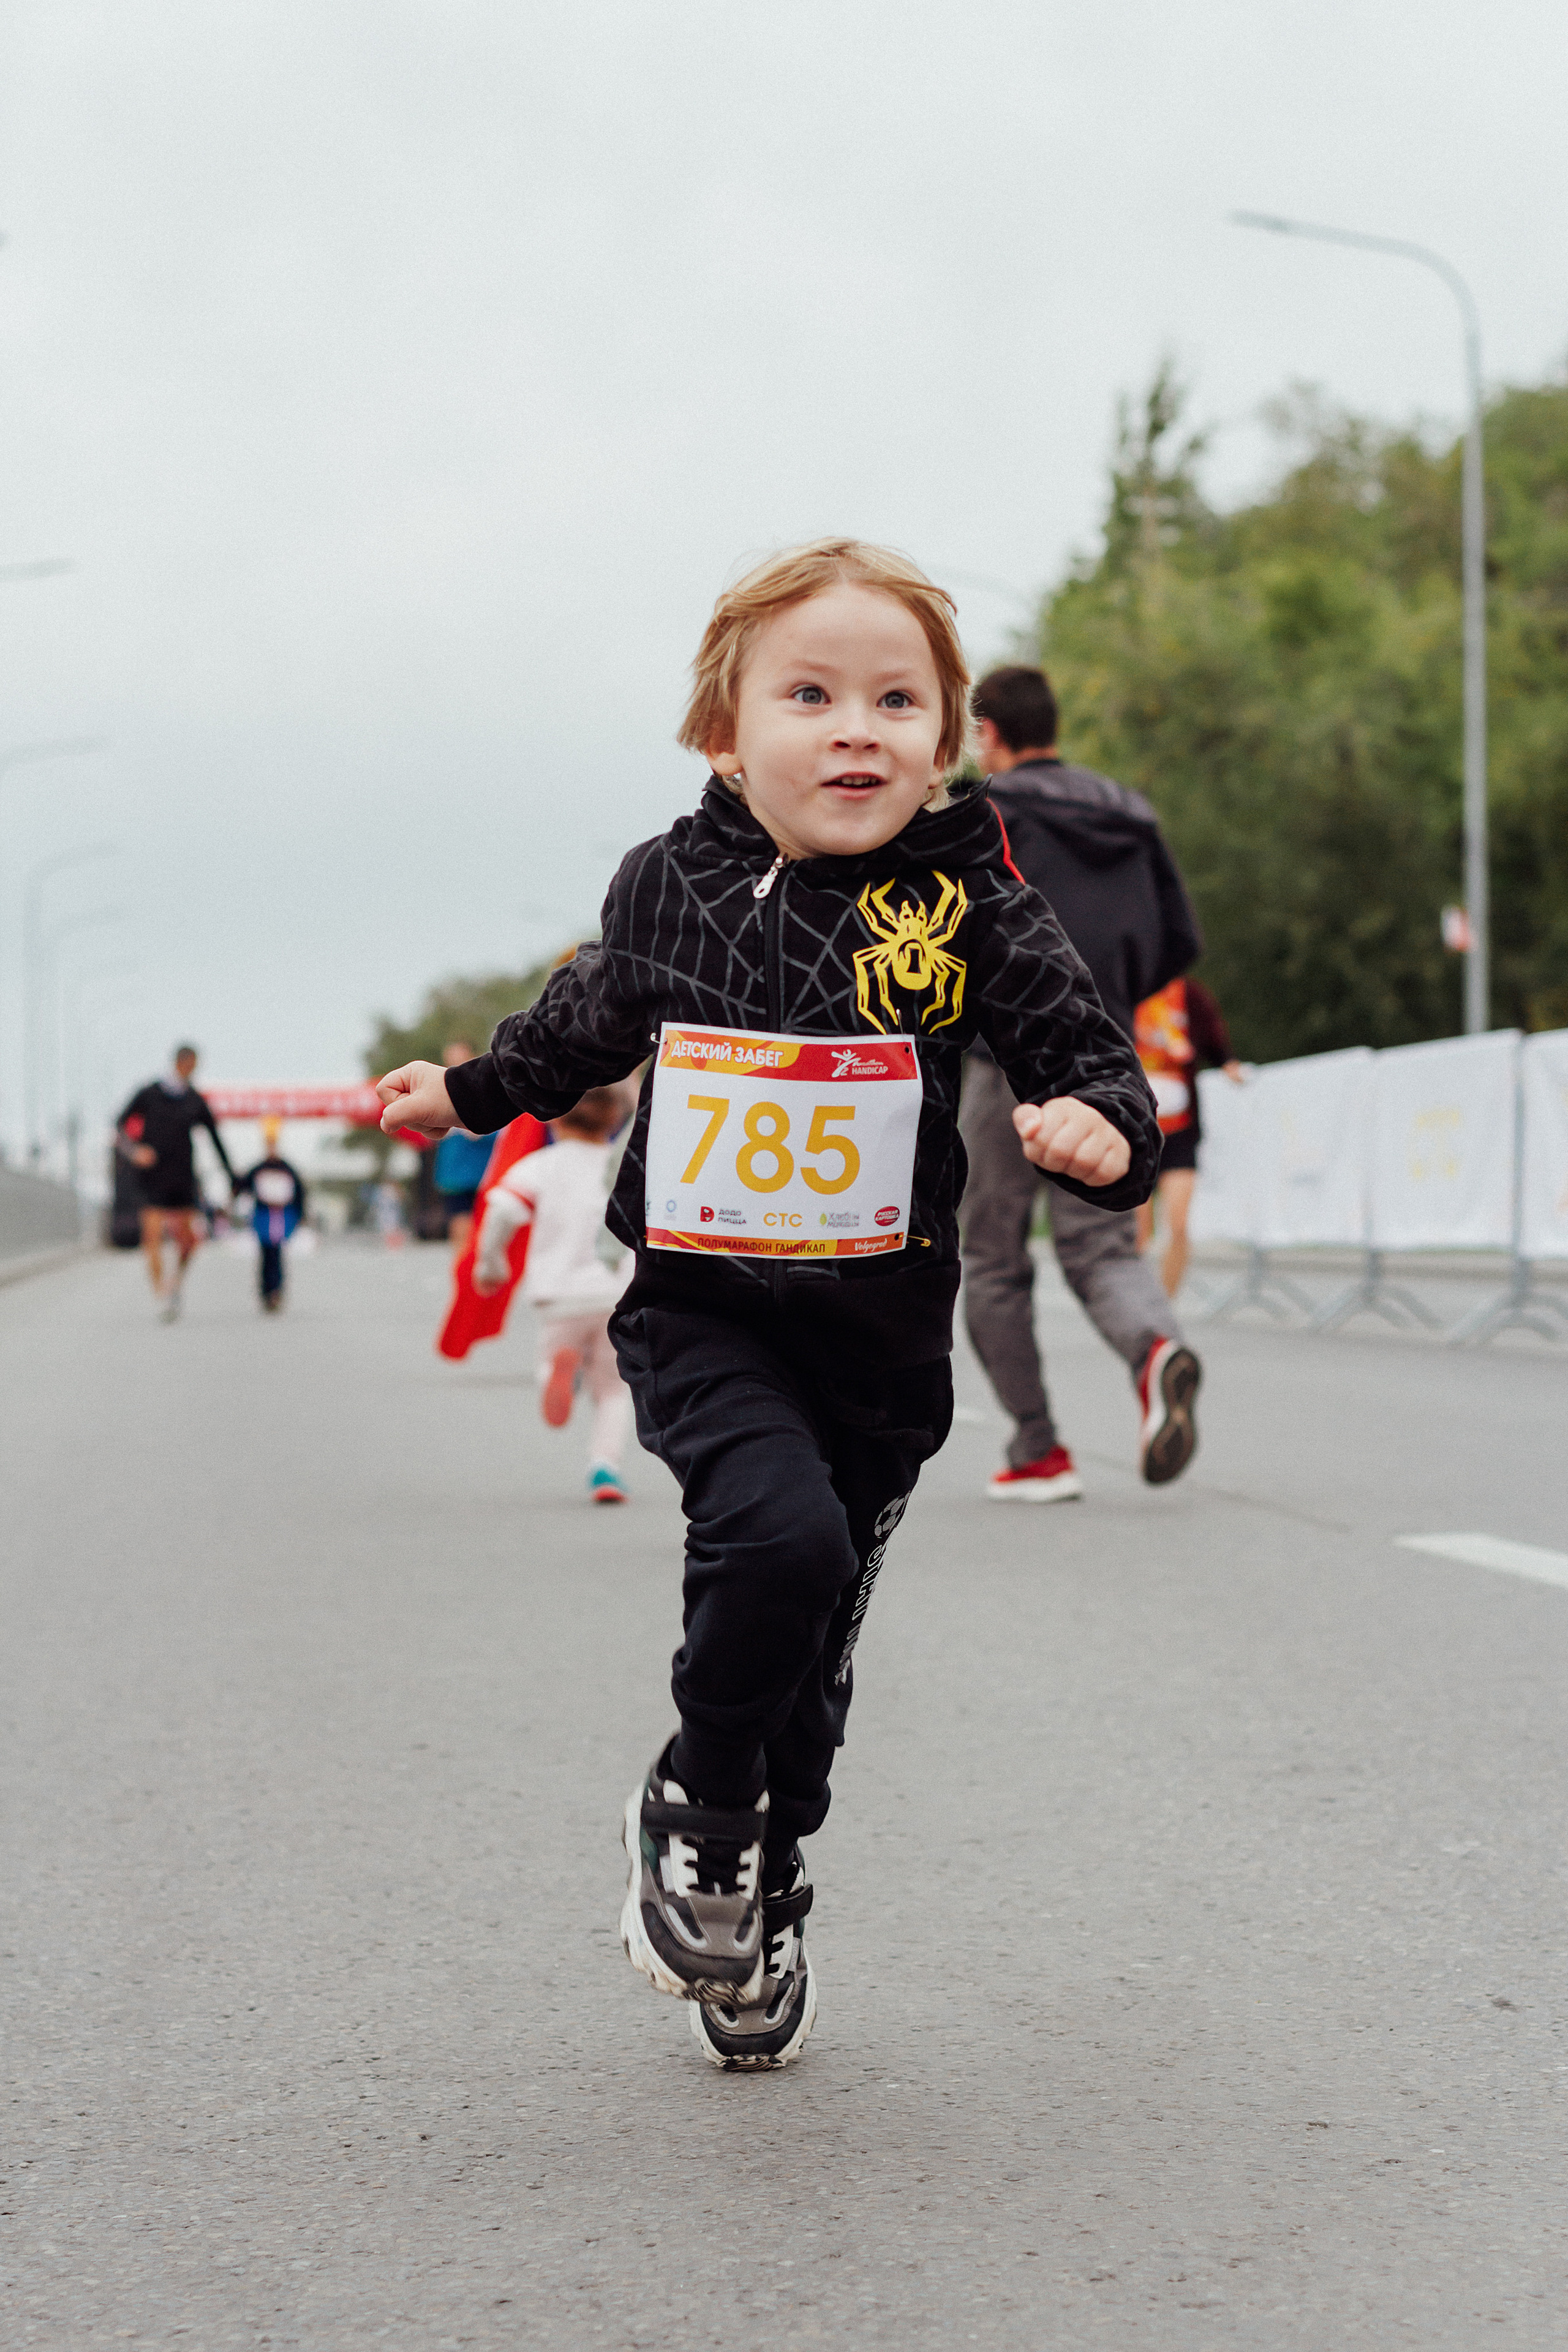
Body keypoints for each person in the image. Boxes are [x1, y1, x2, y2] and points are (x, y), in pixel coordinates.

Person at [374, 538, 1159, 2072]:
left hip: (876, 1341)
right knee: (773, 1539)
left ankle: (765, 1874)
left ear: (944, 742)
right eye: (808, 695)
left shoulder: (973, 899)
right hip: (704, 1304)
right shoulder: (670, 883)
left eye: (894, 699)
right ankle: (698, 1803)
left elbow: (1087, 1055)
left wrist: (1099, 1130)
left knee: (813, 1645)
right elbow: (584, 1017)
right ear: (724, 733)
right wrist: (466, 1088)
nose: (853, 727)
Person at [962, 664, 1204, 1502]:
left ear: (988, 732)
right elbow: (1178, 940)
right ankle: (1155, 1349)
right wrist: (1115, 996)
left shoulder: (987, 811)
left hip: (1004, 1065)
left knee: (992, 1258)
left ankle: (1037, 1450)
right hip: (1109, 1062)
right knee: (1101, 1243)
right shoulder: (1131, 814)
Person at [472, 1084, 635, 1502]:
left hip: (561, 1296)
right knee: (615, 1391)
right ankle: (605, 1469)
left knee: (551, 1359)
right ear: (615, 1120)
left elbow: (505, 1208)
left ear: (554, 1117)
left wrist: (491, 1263)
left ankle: (563, 1375)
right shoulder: (624, 1168)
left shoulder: (541, 1166)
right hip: (617, 1295)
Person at [1134, 976, 1245, 1297]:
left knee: (1179, 1226)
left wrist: (1229, 1064)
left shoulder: (1190, 994)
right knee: (1140, 1233)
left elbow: (1213, 1038)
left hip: (1181, 1128)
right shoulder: (1127, 987)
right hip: (1137, 1131)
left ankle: (1164, 1307)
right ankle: (1135, 1303)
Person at [116, 1044, 237, 1321]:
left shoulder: (195, 1100)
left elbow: (215, 1139)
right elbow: (119, 1125)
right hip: (152, 1178)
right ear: (179, 1063)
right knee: (153, 1237)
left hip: (183, 1178)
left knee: (189, 1240)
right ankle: (161, 1292)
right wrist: (135, 1151)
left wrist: (231, 1175)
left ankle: (175, 1282)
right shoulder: (149, 1093)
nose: (190, 1070)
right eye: (187, 1064)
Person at [234, 1118, 308, 1314]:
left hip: (282, 1216)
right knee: (266, 1254)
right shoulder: (258, 1168)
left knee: (276, 1254)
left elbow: (300, 1194)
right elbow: (241, 1187)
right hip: (263, 1216)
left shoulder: (287, 1169)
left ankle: (276, 1290)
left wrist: (300, 1214)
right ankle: (267, 1291)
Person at [431, 1039, 497, 1254]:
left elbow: (505, 1129)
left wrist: (481, 1131)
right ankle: (462, 1270)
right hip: (455, 1175)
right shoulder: (437, 1089)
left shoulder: (487, 1088)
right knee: (460, 1225)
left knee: (486, 1227)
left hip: (484, 1173)